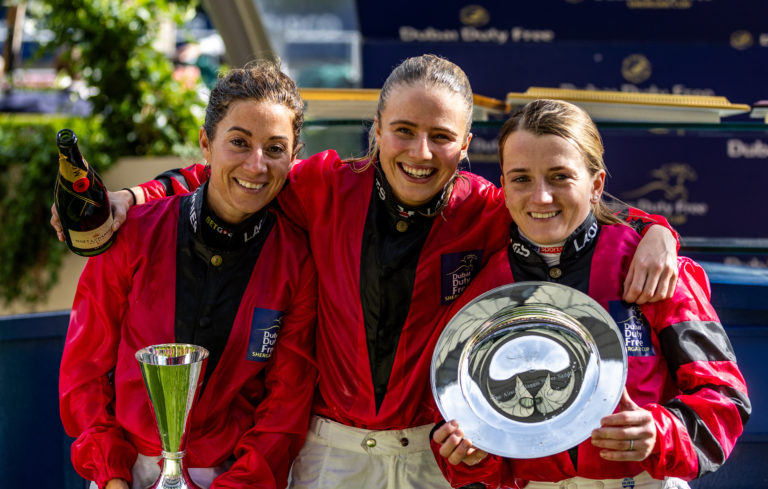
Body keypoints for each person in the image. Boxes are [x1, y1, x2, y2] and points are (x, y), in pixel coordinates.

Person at [53, 55, 680, 489]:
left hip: (436, 457)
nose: (420, 151)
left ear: (466, 147)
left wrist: (655, 228)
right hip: (328, 457)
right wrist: (132, 202)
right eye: (403, 131)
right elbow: (238, 172)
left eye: (441, 136)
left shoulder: (488, 210)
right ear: (375, 132)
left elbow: (564, 204)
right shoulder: (322, 185)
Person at [430, 99, 751, 489]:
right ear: (503, 185)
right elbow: (462, 433)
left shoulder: (650, 268)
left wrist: (660, 432)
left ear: (596, 184)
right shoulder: (482, 290)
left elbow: (724, 399)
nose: (541, 197)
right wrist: (469, 455)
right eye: (521, 179)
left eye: (560, 176)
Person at [58, 60, 318, 489]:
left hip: (234, 475)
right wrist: (112, 475)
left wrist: (239, 483)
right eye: (239, 142)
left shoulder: (296, 260)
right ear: (205, 144)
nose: (256, 166)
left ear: (294, 157)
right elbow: (84, 372)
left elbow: (286, 404)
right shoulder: (134, 233)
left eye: (274, 148)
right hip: (125, 472)